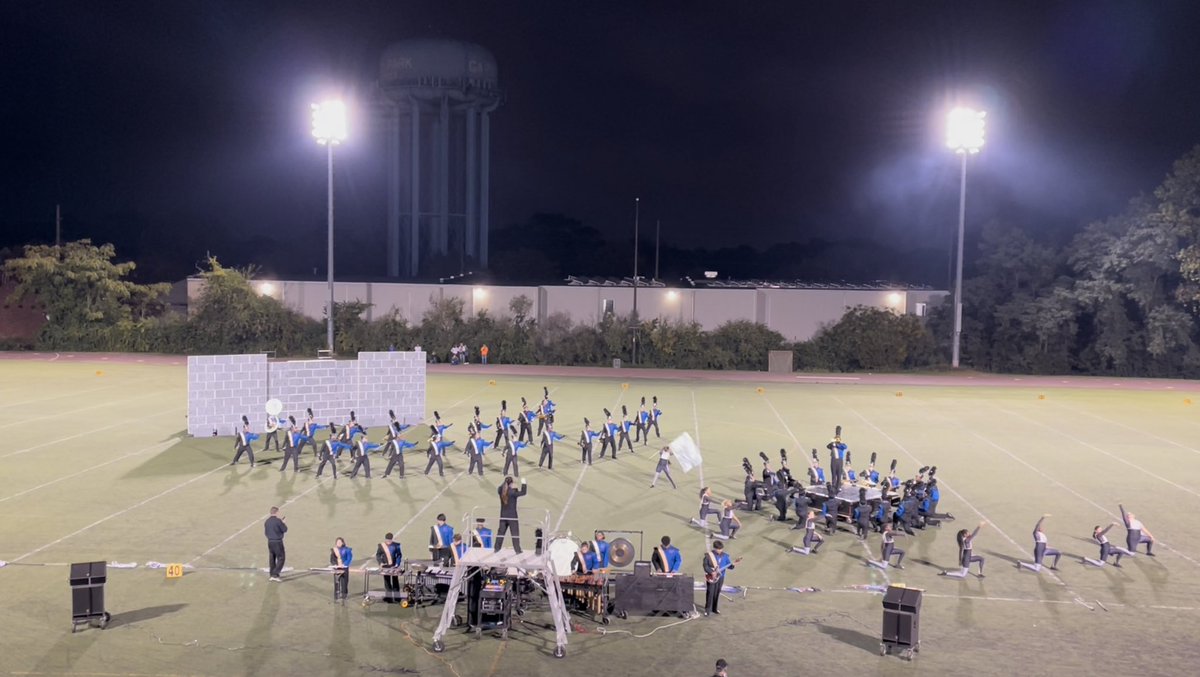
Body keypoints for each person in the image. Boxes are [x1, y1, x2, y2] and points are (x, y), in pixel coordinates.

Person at [702, 540, 738, 616]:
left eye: (721, 549)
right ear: (715, 548)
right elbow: (705, 566)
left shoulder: (725, 556)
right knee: (710, 592)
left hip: (721, 577)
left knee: (717, 592)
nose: (720, 550)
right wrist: (711, 572)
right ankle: (707, 609)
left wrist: (734, 564)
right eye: (718, 549)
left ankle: (714, 608)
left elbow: (729, 566)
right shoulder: (708, 556)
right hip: (711, 577)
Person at [495, 476, 528, 553]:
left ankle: (497, 548)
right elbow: (523, 492)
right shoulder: (512, 492)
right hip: (512, 516)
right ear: (511, 484)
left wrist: (507, 483)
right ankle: (517, 550)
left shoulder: (500, 490)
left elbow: (501, 487)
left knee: (501, 532)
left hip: (503, 515)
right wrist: (524, 483)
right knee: (515, 533)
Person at [376, 533, 402, 603]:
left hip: (394, 566)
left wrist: (397, 563)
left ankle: (397, 597)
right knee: (387, 581)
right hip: (385, 566)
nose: (388, 541)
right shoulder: (381, 546)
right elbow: (378, 555)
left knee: (395, 581)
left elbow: (399, 555)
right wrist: (380, 562)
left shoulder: (396, 545)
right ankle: (389, 597)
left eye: (390, 540)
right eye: (387, 540)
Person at [264, 506, 287, 581]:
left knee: (272, 558)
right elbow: (284, 529)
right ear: (276, 512)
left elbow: (266, 532)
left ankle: (272, 574)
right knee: (281, 558)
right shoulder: (278, 521)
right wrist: (283, 523)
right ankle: (275, 574)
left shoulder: (267, 521)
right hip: (277, 542)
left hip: (270, 542)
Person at [330, 537, 353, 604]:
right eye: (337, 542)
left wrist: (344, 564)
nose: (339, 543)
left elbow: (349, 558)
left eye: (340, 542)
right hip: (337, 569)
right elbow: (332, 559)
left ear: (342, 542)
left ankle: (344, 597)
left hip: (344, 569)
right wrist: (335, 564)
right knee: (337, 583)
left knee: (344, 584)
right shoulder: (334, 550)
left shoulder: (347, 550)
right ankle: (336, 597)